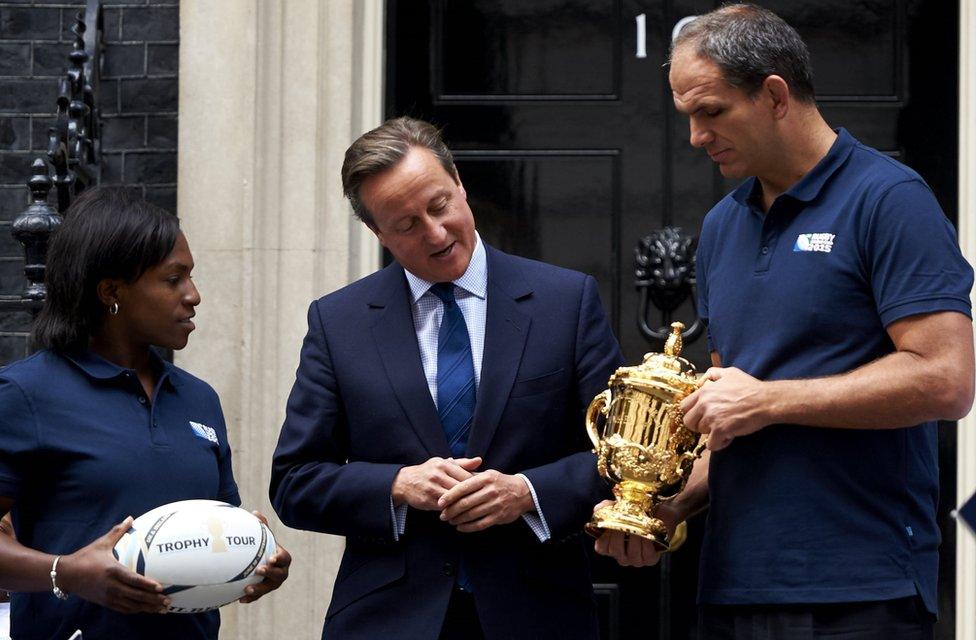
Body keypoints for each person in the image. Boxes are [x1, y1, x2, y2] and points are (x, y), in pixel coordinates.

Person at [595, 5, 975, 639]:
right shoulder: (721, 227)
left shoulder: (890, 199)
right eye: (687, 114)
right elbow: (728, 415)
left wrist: (767, 401)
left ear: (774, 94)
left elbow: (947, 379)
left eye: (711, 112)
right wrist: (666, 506)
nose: (695, 136)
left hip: (858, 587)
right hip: (732, 583)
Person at [269, 116, 623, 640]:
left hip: (538, 613)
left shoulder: (565, 302)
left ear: (459, 183)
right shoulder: (338, 321)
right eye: (407, 224)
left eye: (439, 206)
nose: (435, 233)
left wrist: (526, 492)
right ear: (376, 233)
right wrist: (396, 484)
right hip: (388, 619)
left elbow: (623, 454)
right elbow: (295, 481)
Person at [0, 187, 291, 640]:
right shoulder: (25, 393)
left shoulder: (198, 399)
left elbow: (215, 529)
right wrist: (65, 571)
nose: (193, 295)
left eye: (190, 277)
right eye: (173, 279)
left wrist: (256, 557)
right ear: (111, 292)